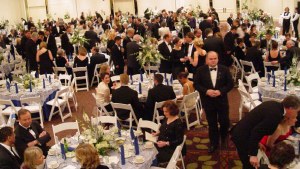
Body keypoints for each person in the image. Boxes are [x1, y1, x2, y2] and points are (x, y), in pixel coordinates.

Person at [231, 95, 300, 169]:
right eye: (297, 111)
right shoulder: (275, 115)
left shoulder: (274, 104)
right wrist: (253, 155)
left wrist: (258, 143)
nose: (297, 114)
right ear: (290, 108)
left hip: (244, 131)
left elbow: (257, 126)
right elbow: (256, 132)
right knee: (249, 164)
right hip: (242, 136)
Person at [194, 51, 234, 153]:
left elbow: (230, 84)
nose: (213, 61)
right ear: (207, 59)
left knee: (224, 122)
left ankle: (224, 137)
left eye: (215, 58)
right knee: (212, 124)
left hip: (222, 101)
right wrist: (206, 91)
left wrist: (221, 91)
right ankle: (213, 143)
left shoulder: (224, 69)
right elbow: (196, 84)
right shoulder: (200, 70)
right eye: (211, 59)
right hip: (208, 102)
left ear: (218, 59)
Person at [152, 100, 184, 166]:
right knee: (148, 151)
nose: (164, 113)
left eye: (166, 111)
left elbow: (179, 140)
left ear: (172, 111)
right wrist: (157, 133)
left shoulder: (178, 123)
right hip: (160, 144)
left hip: (170, 149)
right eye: (164, 111)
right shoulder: (167, 118)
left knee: (153, 157)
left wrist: (165, 143)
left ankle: (157, 165)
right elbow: (162, 129)